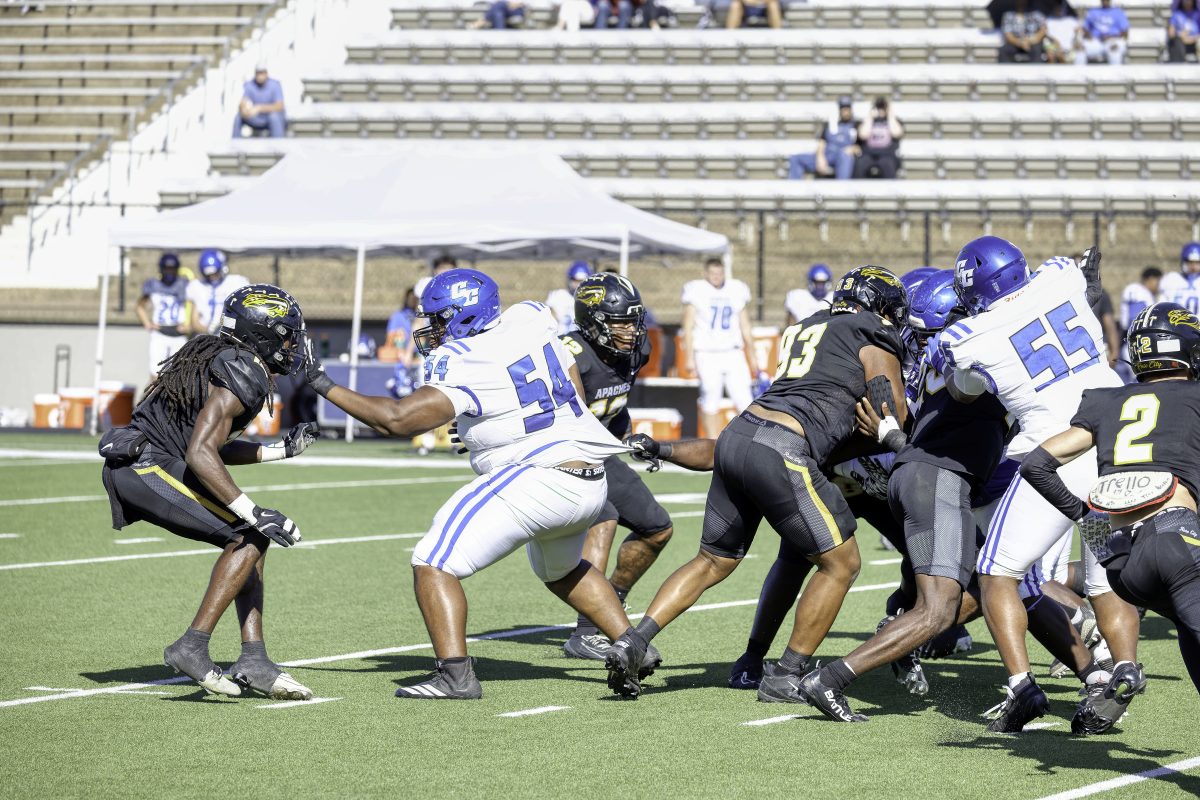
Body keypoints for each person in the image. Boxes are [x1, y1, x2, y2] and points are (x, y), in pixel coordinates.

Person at [302, 268, 660, 699]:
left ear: (463, 315)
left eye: (438, 318)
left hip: (541, 476)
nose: (431, 329)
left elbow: (396, 419)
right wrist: (496, 426)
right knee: (562, 570)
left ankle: (454, 676)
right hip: (589, 477)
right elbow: (567, 381)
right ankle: (633, 645)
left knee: (432, 561)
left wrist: (321, 382)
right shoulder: (530, 317)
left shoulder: (462, 357)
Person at [611, 267, 909, 719]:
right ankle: (787, 674)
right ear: (881, 308)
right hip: (783, 446)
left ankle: (634, 641)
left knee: (712, 560)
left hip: (740, 432)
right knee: (842, 563)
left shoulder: (808, 325)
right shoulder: (871, 331)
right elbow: (891, 415)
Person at [932, 238, 1141, 732]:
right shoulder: (1059, 276)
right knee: (1104, 575)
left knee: (996, 572)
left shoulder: (967, 334)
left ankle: (1022, 687)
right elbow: (1077, 271)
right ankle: (1123, 670)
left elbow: (958, 387)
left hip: (1057, 458)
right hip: (1116, 448)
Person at [100, 285, 317, 700]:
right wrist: (253, 510)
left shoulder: (226, 358)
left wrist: (279, 451)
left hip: (150, 460)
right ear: (261, 333)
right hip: (145, 465)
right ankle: (192, 646)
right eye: (286, 334)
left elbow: (208, 444)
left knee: (252, 538)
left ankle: (254, 659)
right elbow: (200, 452)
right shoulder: (243, 369)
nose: (291, 344)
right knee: (249, 533)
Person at [1023, 301, 1200, 705]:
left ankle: (1120, 675)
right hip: (1174, 540)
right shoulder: (1194, 397)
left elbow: (1036, 465)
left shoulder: (1106, 401)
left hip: (1120, 564)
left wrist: (1092, 524)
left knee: (1186, 624)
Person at [559, 274, 674, 660]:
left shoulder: (636, 350)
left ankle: (611, 601)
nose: (631, 330)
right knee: (604, 518)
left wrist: (623, 435)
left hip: (599, 452)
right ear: (592, 322)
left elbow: (616, 400)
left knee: (657, 529)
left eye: (633, 321)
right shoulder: (568, 354)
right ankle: (587, 631)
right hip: (559, 456)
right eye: (620, 322)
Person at [681, 258, 763, 436]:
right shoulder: (697, 290)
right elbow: (688, 326)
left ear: (724, 273)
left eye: (719, 273)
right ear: (705, 274)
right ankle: (713, 442)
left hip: (733, 352)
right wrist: (689, 358)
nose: (716, 277)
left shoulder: (736, 289)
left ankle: (750, 441)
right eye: (712, 273)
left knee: (745, 400)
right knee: (710, 399)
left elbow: (745, 326)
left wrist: (753, 357)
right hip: (706, 353)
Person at [137, 253, 189, 381]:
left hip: (178, 333)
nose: (169, 272)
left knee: (180, 375)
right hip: (160, 333)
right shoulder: (153, 284)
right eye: (167, 269)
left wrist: (190, 325)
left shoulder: (184, 284)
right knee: (156, 375)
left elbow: (195, 304)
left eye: (172, 269)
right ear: (161, 269)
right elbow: (140, 306)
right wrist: (147, 323)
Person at [788, 96, 859, 181]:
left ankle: (842, 187)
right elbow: (821, 142)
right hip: (827, 155)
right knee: (796, 159)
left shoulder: (856, 125)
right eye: (843, 108)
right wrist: (820, 157)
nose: (845, 111)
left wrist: (852, 149)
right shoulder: (830, 124)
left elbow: (860, 147)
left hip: (842, 157)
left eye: (847, 108)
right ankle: (795, 187)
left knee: (845, 157)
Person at [186, 250, 250, 335]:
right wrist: (209, 331)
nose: (212, 277)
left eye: (215, 273)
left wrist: (222, 324)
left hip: (228, 335)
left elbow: (244, 315)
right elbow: (195, 322)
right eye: (208, 275)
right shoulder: (197, 286)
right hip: (204, 336)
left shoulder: (236, 282)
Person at [853, 97, 904, 180]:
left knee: (889, 165)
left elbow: (896, 133)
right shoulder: (867, 121)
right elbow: (863, 135)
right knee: (860, 165)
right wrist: (870, 117)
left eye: (883, 107)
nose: (881, 110)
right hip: (868, 154)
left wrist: (890, 114)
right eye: (878, 107)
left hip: (887, 154)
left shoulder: (894, 120)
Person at [233, 64, 286, 139]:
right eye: (258, 73)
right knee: (238, 117)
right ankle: (235, 143)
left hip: (270, 118)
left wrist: (259, 108)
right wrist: (244, 109)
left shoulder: (275, 85)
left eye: (262, 73)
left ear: (266, 73)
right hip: (255, 117)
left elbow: (280, 106)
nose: (260, 76)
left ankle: (278, 144)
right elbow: (243, 101)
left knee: (274, 117)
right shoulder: (249, 84)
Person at [1078, 0, 1129, 64]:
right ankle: (1079, 70)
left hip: (1113, 40)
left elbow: (1125, 32)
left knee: (1114, 50)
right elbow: (1085, 28)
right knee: (1080, 50)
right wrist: (1089, 35)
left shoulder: (1118, 12)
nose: (1105, 1)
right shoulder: (1093, 11)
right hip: (1096, 40)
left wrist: (1111, 36)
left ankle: (1115, 70)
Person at [547, 261, 592, 335]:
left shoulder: (591, 299)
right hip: (560, 337)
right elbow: (549, 318)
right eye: (576, 281)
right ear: (570, 279)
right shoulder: (558, 295)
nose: (578, 285)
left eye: (581, 281)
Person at [1160, 242, 1200, 315]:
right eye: (1190, 262)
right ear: (1183, 262)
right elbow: (1161, 307)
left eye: (1197, 263)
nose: (1193, 267)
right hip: (1173, 321)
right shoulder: (1171, 279)